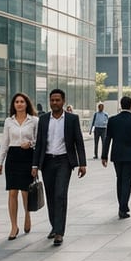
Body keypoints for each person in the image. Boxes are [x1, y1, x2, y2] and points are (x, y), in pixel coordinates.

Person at [32, 89, 87, 247]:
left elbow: (79, 142)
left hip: (64, 161)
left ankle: (59, 232)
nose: (54, 103)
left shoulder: (71, 119)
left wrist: (82, 163)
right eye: (52, 100)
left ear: (63, 101)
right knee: (50, 195)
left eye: (57, 100)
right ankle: (54, 226)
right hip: (47, 161)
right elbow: (39, 144)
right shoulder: (42, 120)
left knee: (60, 195)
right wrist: (35, 165)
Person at [0, 93, 37, 240]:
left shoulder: (34, 121)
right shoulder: (9, 121)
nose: (19, 104)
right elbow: (4, 142)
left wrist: (31, 143)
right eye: (16, 102)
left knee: (26, 191)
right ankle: (14, 226)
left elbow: (39, 141)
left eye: (22, 101)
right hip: (13, 157)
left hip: (27, 157)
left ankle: (27, 215)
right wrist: (0, 162)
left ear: (27, 104)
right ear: (13, 105)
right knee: (12, 192)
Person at [102, 96, 131, 218]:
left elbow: (107, 138)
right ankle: (123, 207)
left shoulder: (113, 120)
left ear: (121, 105)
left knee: (120, 179)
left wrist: (104, 155)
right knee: (127, 180)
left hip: (117, 155)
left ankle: (122, 205)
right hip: (130, 155)